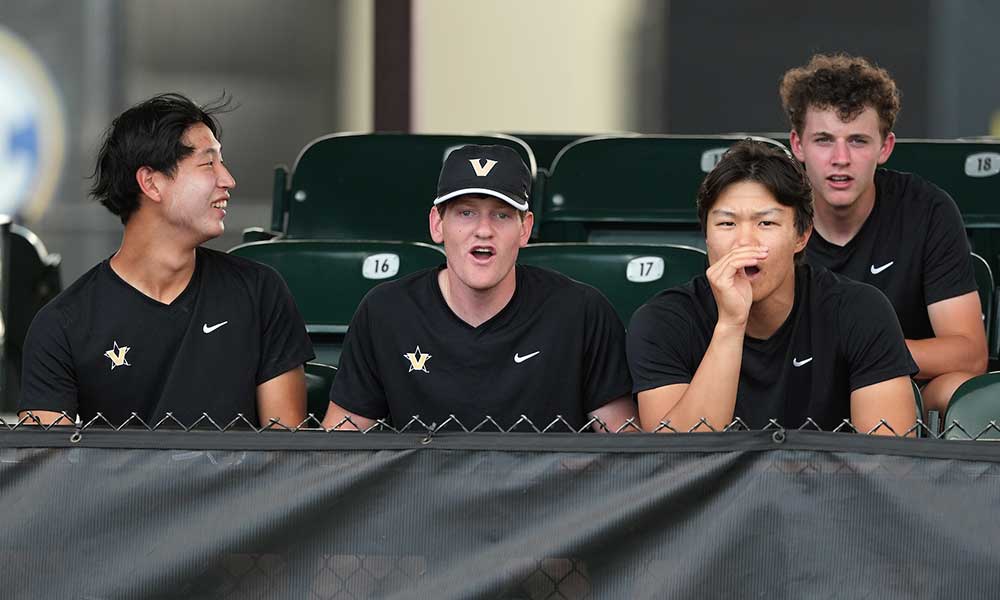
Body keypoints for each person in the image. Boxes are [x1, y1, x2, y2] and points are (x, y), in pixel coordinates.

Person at [18, 93, 313, 427]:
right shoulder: (61, 326)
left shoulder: (260, 292)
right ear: (151, 183)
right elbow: (47, 458)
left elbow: (287, 451)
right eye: (208, 164)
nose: (228, 180)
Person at [322, 144, 636, 432]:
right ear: (437, 224)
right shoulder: (386, 311)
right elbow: (337, 447)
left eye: (501, 215)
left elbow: (626, 452)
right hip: (424, 480)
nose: (483, 230)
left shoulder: (580, 311)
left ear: (525, 229)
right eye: (466, 212)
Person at [628, 140, 917, 434]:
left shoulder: (860, 311)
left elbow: (889, 454)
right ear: (706, 236)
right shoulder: (662, 322)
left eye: (766, 223)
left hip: (831, 469)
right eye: (727, 224)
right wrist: (730, 324)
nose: (744, 242)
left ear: (802, 235)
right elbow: (673, 455)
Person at [781, 53, 987, 415]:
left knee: (958, 389)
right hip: (797, 395)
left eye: (858, 141)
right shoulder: (772, 216)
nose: (840, 158)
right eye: (824, 140)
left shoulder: (926, 209)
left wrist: (864, 354)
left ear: (885, 147)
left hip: (903, 393)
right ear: (798, 145)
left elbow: (969, 355)